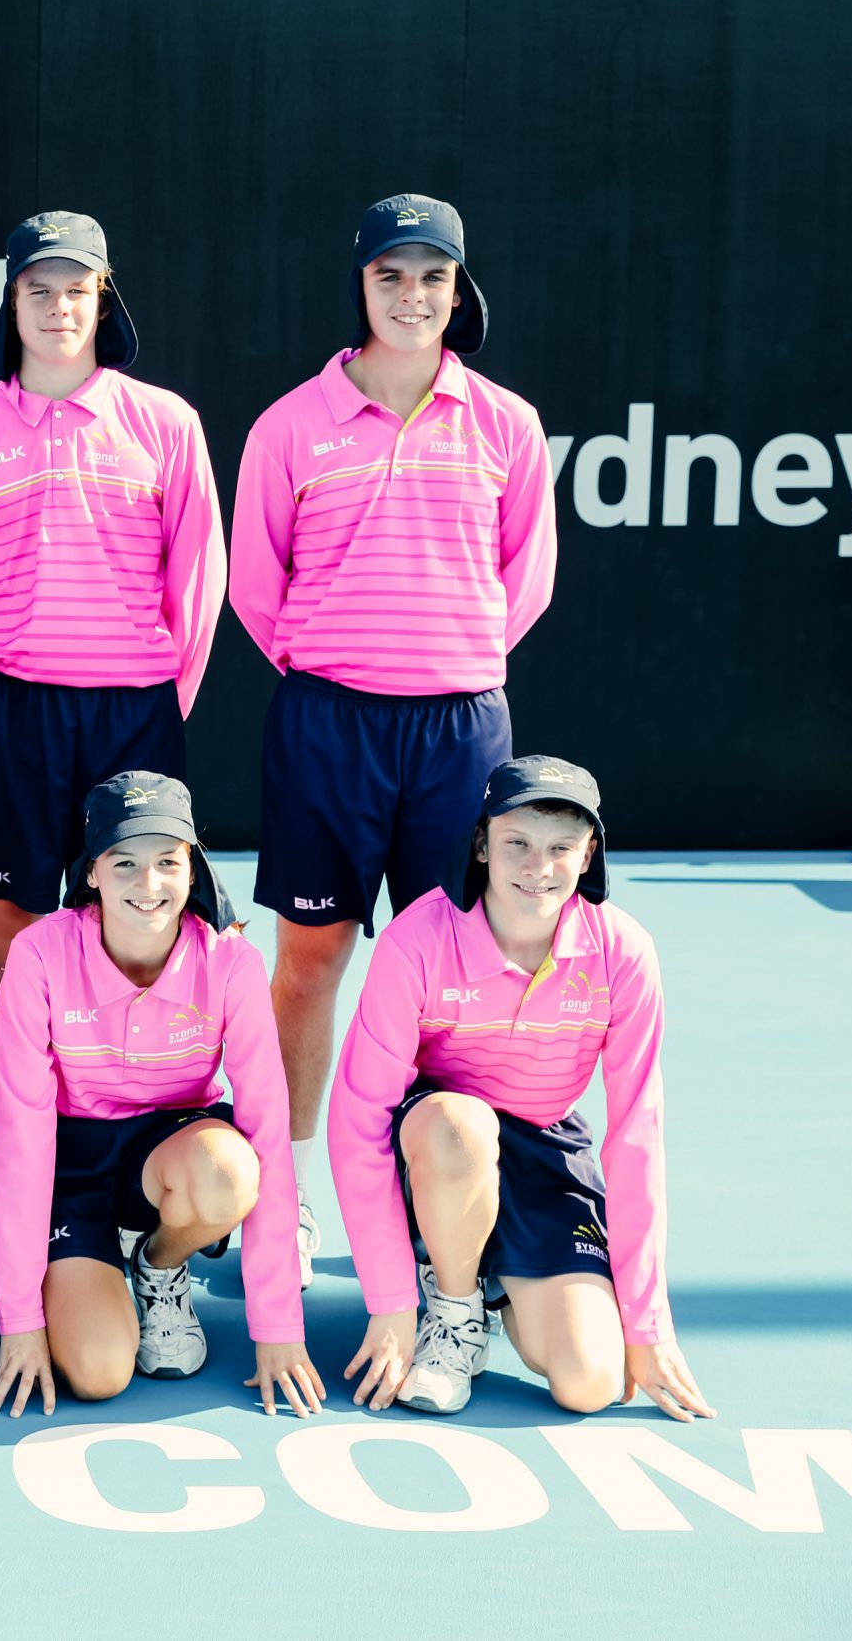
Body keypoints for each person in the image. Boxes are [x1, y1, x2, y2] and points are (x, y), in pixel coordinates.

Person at [228, 194, 556, 1283]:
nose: (411, 296)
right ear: (361, 285)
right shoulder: (289, 424)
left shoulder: (505, 424)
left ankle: (431, 1204)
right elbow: (253, 585)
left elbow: (522, 582)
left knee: (445, 971)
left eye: (431, 277)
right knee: (309, 961)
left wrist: (439, 662)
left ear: (457, 291)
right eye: (391, 276)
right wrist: (341, 665)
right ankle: (287, 1191)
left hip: (460, 730)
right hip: (326, 723)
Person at [0, 211, 226, 1273]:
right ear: (11, 304)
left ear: (104, 301)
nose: (57, 309)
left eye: (76, 289)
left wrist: (156, 699)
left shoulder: (164, 424)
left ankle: (140, 1169)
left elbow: (198, 581)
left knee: (137, 947)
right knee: (3, 953)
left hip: (132, 717)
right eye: (37, 290)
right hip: (6, 715)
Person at [329, 757, 711, 1421]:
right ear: (482, 844)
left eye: (561, 847)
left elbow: (635, 1137)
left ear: (589, 853)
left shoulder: (623, 953)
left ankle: (491, 1273)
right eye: (518, 843)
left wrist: (648, 1326)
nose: (539, 866)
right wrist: (390, 1301)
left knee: (589, 1382)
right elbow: (359, 1114)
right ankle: (451, 1310)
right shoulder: (417, 938)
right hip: (439, 1141)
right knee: (460, 1126)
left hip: (544, 1149)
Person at [0, 772, 317, 1417]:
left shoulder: (232, 961)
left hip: (171, 1153)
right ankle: (78, 1269)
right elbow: (16, 1142)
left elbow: (267, 1125)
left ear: (193, 871)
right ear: (92, 874)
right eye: (125, 863)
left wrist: (278, 1327)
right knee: (100, 1372)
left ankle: (159, 1267)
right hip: (68, 1170)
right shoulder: (39, 955)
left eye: (167, 862)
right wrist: (18, 1320)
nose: (148, 884)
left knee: (229, 1171)